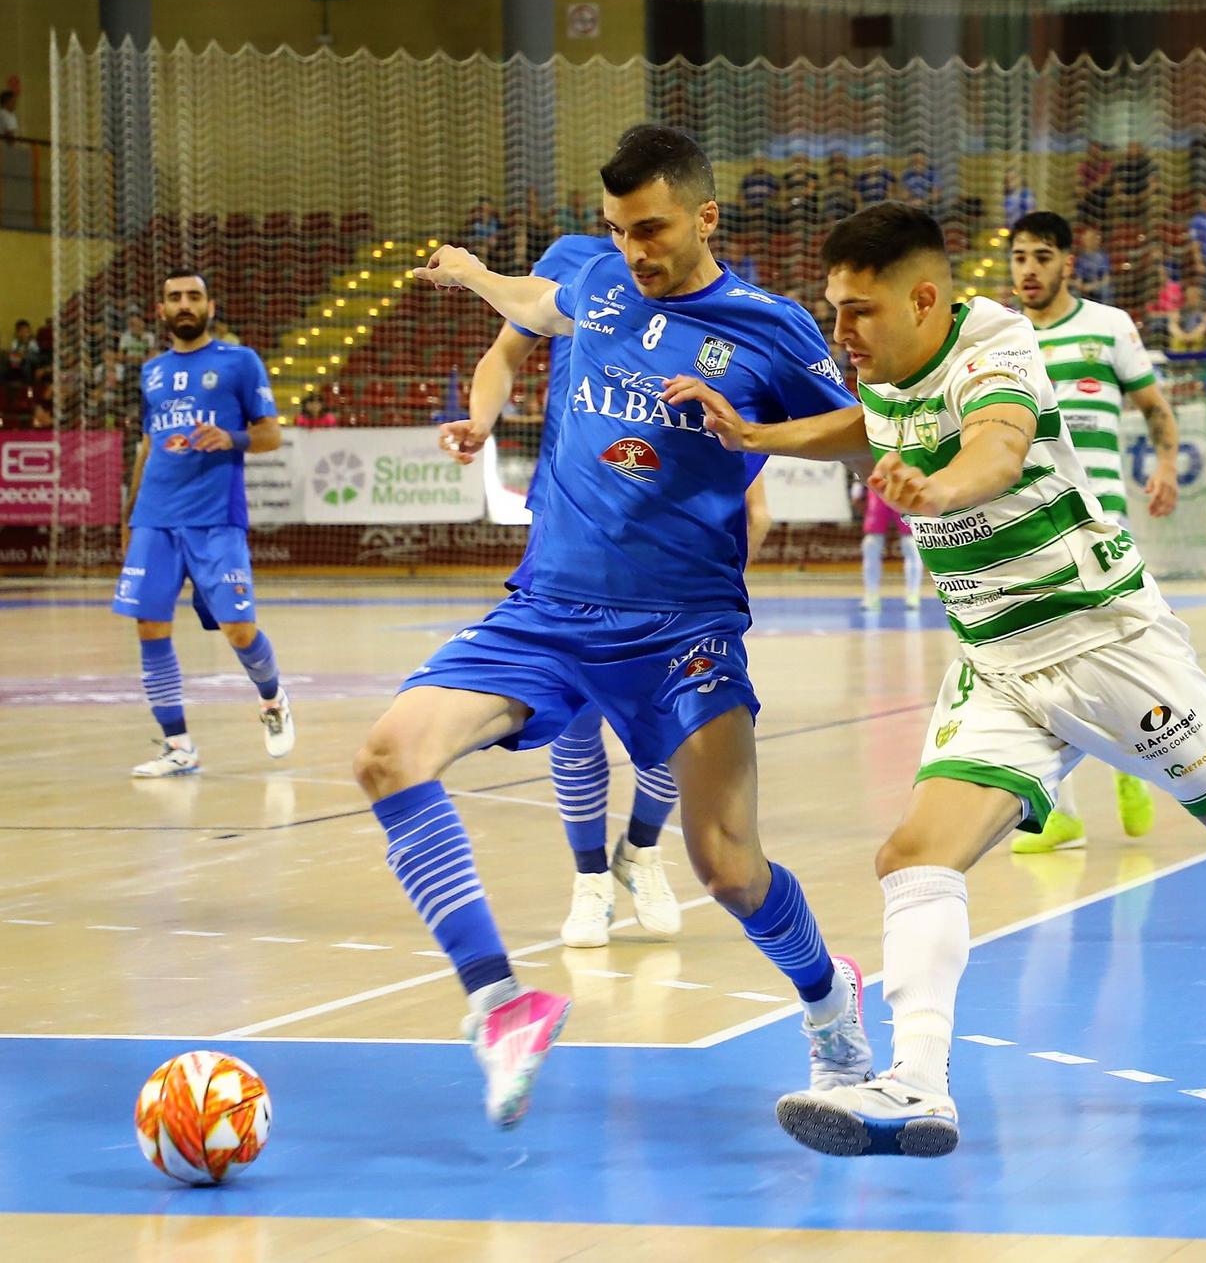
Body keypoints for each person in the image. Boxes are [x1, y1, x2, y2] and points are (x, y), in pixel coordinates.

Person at [667, 204, 1206, 1159]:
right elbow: (866, 423)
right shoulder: (887, 369)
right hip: (998, 661)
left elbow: (995, 441)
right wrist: (756, 436)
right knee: (913, 856)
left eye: (857, 312)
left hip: (1105, 644)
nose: (839, 334)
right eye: (832, 311)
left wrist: (942, 488)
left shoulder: (993, 340)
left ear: (924, 298)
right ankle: (916, 1081)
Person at [366, 125, 870, 1131]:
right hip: (548, 607)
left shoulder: (768, 328)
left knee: (726, 865)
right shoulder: (592, 276)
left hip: (680, 624)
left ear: (704, 216)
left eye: (651, 229)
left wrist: (754, 432)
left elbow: (862, 436)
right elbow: (526, 307)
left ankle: (829, 1003)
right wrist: (471, 278)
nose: (634, 249)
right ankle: (501, 1005)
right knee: (390, 756)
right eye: (617, 229)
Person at [455, 225, 695, 949]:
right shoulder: (573, 263)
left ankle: (642, 850)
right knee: (575, 710)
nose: (631, 229)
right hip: (566, 518)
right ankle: (590, 878)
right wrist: (480, 419)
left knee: (684, 718)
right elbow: (504, 353)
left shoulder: (700, 283)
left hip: (665, 527)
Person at [1007, 209, 1180, 851]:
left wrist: (1165, 466)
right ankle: (1062, 815)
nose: (1029, 269)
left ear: (1067, 263)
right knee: (1039, 665)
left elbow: (1155, 408)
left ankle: (1133, 761)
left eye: (1042, 256)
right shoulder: (1001, 335)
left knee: (1116, 656)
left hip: (1099, 520)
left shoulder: (1110, 327)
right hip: (1025, 523)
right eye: (1020, 256)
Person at [113, 268, 293, 778]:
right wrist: (131, 516)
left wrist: (231, 439)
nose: (184, 304)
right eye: (175, 298)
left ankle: (272, 697)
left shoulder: (240, 362)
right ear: (161, 311)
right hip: (155, 517)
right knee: (150, 626)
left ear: (210, 308)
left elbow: (271, 436)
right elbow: (148, 447)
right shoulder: (150, 372)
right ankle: (178, 746)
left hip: (215, 517)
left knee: (238, 630)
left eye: (194, 296)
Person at [856, 484, 919, 612]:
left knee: (911, 543)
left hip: (902, 488)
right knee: (870, 544)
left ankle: (913, 594)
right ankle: (871, 595)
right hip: (877, 489)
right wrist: (857, 488)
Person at [1071, 225, 1113, 304]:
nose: (1087, 241)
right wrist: (1080, 286)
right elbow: (1078, 279)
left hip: (1098, 286)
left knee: (1106, 290)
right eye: (1086, 239)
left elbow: (1106, 279)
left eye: (1090, 239)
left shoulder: (1103, 257)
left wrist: (1092, 286)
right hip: (1085, 286)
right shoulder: (1081, 258)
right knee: (1073, 291)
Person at [1168, 282, 1206, 351]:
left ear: (1199, 297)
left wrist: (1191, 337)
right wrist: (1182, 336)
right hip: (1182, 337)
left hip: (1197, 337)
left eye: (1195, 296)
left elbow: (1204, 326)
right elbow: (1172, 325)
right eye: (1190, 296)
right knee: (1176, 341)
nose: (1192, 298)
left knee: (1198, 341)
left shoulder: (1204, 310)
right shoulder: (1181, 310)